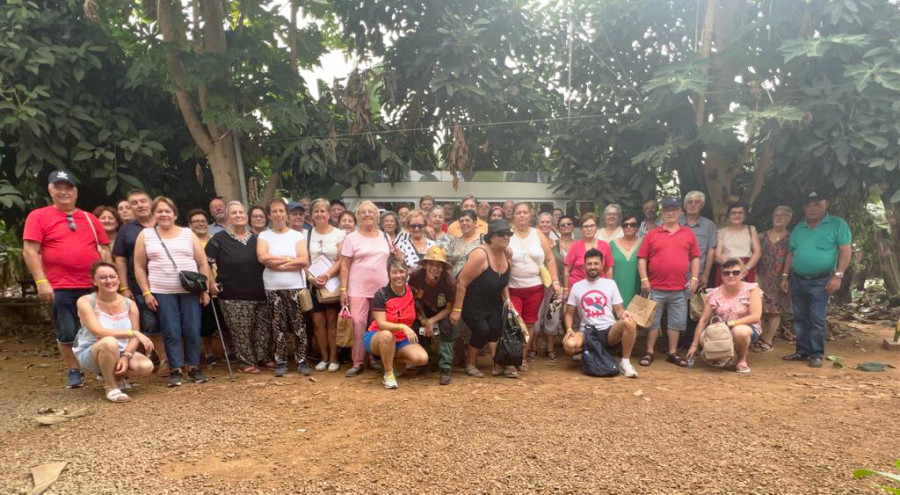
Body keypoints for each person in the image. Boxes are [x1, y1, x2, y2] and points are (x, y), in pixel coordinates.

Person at [23, 170, 111, 388]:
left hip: (92, 285)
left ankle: (103, 365)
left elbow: (105, 250)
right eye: (58, 187)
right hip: (60, 285)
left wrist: (107, 279)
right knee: (67, 330)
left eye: (68, 187)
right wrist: (41, 281)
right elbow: (30, 251)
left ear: (76, 191)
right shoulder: (38, 216)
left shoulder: (90, 219)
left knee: (99, 328)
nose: (64, 192)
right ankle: (74, 368)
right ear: (50, 190)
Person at [133, 196, 212, 387]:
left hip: (190, 291)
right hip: (162, 291)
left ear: (175, 214)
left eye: (167, 211)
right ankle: (175, 369)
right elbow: (139, 266)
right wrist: (146, 292)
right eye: (159, 211)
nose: (164, 214)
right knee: (171, 330)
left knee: (193, 329)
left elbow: (202, 263)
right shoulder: (146, 235)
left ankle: (193, 366)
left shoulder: (188, 234)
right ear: (154, 215)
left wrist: (205, 290)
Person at [782, 191, 851, 368]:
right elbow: (791, 253)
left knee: (816, 318)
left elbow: (845, 250)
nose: (811, 209)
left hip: (821, 281)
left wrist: (838, 275)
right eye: (808, 206)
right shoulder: (799, 228)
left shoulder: (837, 224)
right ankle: (802, 351)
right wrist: (785, 276)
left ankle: (817, 354)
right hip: (797, 280)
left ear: (826, 204)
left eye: (816, 205)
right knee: (799, 317)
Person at [73, 261, 155, 402]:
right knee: (109, 342)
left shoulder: (130, 304)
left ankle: (115, 375)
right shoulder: (85, 301)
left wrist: (126, 356)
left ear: (118, 279)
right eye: (103, 278)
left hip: (121, 350)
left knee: (146, 366)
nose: (109, 281)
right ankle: (111, 386)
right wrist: (132, 333)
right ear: (94, 281)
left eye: (112, 277)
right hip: (92, 351)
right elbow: (98, 332)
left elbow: (134, 339)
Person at [205, 202, 271, 374]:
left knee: (262, 328)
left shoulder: (258, 239)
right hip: (233, 294)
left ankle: (262, 357)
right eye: (234, 213)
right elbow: (206, 263)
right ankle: (246, 361)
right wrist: (210, 282)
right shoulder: (218, 239)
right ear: (228, 217)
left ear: (247, 216)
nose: (238, 215)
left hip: (260, 291)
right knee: (242, 330)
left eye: (241, 212)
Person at [637, 197, 700, 368]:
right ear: (662, 213)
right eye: (666, 210)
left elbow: (695, 257)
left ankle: (672, 352)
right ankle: (649, 351)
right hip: (655, 287)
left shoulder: (688, 233)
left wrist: (694, 278)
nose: (670, 213)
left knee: (676, 322)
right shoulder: (652, 234)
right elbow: (642, 258)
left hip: (679, 288)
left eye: (674, 209)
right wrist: (644, 279)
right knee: (652, 322)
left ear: (680, 212)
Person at [450, 220, 516, 378]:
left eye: (508, 234)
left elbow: (502, 281)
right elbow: (462, 282)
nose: (506, 237)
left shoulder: (506, 254)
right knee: (482, 330)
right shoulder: (480, 254)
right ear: (491, 238)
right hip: (471, 301)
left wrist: (508, 300)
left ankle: (499, 363)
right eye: (501, 234)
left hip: (492, 301)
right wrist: (457, 310)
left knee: (496, 327)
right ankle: (470, 364)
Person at [113, 188, 167, 372]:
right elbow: (119, 259)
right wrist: (124, 287)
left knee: (172, 320)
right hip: (138, 285)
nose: (140, 205)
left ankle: (179, 360)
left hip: (167, 282)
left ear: (151, 202)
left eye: (143, 201)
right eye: (134, 203)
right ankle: (165, 360)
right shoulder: (126, 231)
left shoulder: (165, 222)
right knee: (151, 323)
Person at [562, 249, 639, 378]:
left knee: (629, 323)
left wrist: (625, 313)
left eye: (596, 263)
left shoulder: (610, 284)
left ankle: (625, 363)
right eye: (589, 264)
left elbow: (619, 310)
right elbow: (569, 313)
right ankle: (590, 352)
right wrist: (569, 329)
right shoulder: (576, 286)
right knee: (569, 346)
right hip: (588, 331)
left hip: (608, 331)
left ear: (602, 265)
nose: (593, 267)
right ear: (584, 266)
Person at [256, 198, 311, 377]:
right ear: (269, 215)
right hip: (273, 288)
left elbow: (303, 260)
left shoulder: (297, 236)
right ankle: (281, 361)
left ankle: (302, 360)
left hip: (296, 287)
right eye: (275, 211)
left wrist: (277, 262)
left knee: (299, 326)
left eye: (281, 211)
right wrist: (288, 259)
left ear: (286, 214)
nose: (278, 215)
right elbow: (262, 257)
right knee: (277, 325)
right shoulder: (264, 235)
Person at [340, 200, 395, 377]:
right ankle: (357, 361)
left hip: (381, 289)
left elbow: (393, 258)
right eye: (363, 212)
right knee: (358, 324)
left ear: (377, 215)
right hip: (357, 289)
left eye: (371, 212)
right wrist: (343, 290)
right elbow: (345, 265)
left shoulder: (385, 236)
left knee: (377, 325)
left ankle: (374, 358)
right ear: (358, 216)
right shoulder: (351, 238)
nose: (367, 215)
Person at [508, 203, 562, 367]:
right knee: (516, 324)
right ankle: (512, 357)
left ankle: (521, 357)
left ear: (530, 216)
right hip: (513, 288)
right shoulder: (507, 235)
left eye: (525, 212)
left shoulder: (538, 234)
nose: (522, 215)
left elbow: (550, 258)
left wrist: (555, 281)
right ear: (513, 216)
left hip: (535, 288)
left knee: (530, 323)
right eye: (519, 213)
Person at [687, 258, 762, 373]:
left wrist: (731, 324)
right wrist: (694, 344)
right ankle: (722, 354)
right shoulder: (714, 293)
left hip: (747, 327)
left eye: (735, 272)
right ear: (722, 276)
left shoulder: (751, 289)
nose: (731, 276)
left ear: (742, 274)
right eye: (726, 273)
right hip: (722, 329)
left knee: (739, 331)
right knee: (704, 337)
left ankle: (742, 359)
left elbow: (755, 316)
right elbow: (703, 320)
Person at [365, 257, 429, 388]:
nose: (398, 276)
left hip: (401, 339)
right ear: (388, 274)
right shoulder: (381, 294)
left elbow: (416, 310)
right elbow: (381, 324)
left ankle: (392, 361)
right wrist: (402, 327)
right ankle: (388, 374)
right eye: (394, 272)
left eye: (401, 272)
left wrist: (425, 320)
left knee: (421, 359)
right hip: (377, 336)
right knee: (387, 335)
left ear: (406, 273)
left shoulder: (411, 291)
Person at [307, 198, 346, 372]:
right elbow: (305, 259)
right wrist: (311, 278)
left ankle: (334, 358)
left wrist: (328, 274)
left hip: (333, 283)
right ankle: (323, 357)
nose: (320, 214)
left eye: (323, 211)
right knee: (317, 322)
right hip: (314, 284)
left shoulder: (339, 234)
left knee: (332, 321)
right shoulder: (306, 234)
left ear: (329, 214)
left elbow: (341, 259)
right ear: (312, 214)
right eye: (316, 211)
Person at [408, 246, 457, 384]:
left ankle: (445, 367)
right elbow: (413, 301)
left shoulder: (449, 281)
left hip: (441, 313)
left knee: (446, 327)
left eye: (438, 265)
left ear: (443, 267)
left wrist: (431, 321)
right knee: (416, 327)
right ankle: (428, 361)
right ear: (425, 265)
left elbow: (448, 308)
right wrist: (423, 319)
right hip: (422, 311)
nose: (434, 268)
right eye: (430, 264)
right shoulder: (416, 277)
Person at [679, 191, 718, 349]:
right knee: (677, 306)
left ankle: (690, 341)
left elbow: (710, 251)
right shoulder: (676, 222)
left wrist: (706, 274)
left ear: (702, 205)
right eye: (690, 202)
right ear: (684, 205)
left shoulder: (709, 225)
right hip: (676, 274)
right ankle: (675, 341)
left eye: (696, 202)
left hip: (697, 274)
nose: (693, 205)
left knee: (694, 307)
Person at [754, 206, 793, 353]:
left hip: (780, 278)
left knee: (775, 310)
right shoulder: (762, 236)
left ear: (789, 218)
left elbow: (791, 256)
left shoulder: (791, 237)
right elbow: (755, 255)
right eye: (776, 215)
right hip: (762, 276)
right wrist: (755, 276)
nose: (778, 217)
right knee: (759, 309)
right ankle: (758, 338)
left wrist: (785, 276)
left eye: (783, 215)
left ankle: (767, 340)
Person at [187, 209, 218, 367]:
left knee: (222, 321)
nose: (201, 224)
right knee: (205, 323)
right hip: (199, 286)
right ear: (189, 225)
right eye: (196, 221)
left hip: (219, 285)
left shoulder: (216, 239)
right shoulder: (188, 242)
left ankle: (229, 350)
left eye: (203, 221)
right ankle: (208, 352)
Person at [714, 202, 761, 285]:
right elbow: (718, 255)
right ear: (728, 215)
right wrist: (733, 266)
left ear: (745, 215)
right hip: (727, 269)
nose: (737, 215)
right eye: (733, 213)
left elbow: (757, 252)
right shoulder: (721, 232)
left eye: (740, 213)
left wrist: (746, 268)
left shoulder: (751, 229)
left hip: (746, 269)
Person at [564, 213, 614, 290]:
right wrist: (565, 289)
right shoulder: (575, 246)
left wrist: (609, 288)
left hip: (599, 288)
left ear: (596, 228)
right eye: (586, 226)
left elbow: (608, 270)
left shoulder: (605, 246)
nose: (589, 229)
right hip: (577, 288)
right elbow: (567, 270)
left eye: (592, 226)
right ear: (581, 229)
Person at [611, 212, 642, 309]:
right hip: (616, 288)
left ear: (638, 227)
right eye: (625, 225)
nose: (629, 227)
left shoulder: (644, 243)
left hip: (637, 288)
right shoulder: (612, 244)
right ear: (622, 227)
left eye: (633, 225)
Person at [446, 211, 483, 277]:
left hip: (477, 281)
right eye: (461, 221)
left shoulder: (483, 240)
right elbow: (448, 264)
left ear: (475, 223)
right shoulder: (454, 242)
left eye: (467, 220)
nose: (464, 223)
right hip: (455, 282)